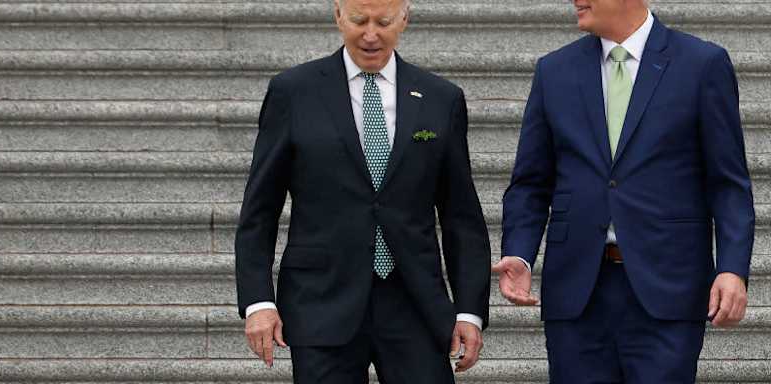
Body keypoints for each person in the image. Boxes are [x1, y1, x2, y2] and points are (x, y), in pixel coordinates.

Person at [495, 0, 754, 382]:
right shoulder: (554, 70)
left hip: (667, 289)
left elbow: (728, 183)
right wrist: (520, 252)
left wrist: (732, 268)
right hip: (577, 294)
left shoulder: (701, 64)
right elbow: (530, 184)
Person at [234, 0, 491, 382]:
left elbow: (461, 217)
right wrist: (258, 301)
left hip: (414, 303)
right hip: (322, 300)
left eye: (383, 22)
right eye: (359, 20)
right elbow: (260, 209)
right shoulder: (293, 92)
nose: (371, 34)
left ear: (405, 18)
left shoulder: (441, 98)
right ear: (338, 15)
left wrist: (469, 310)